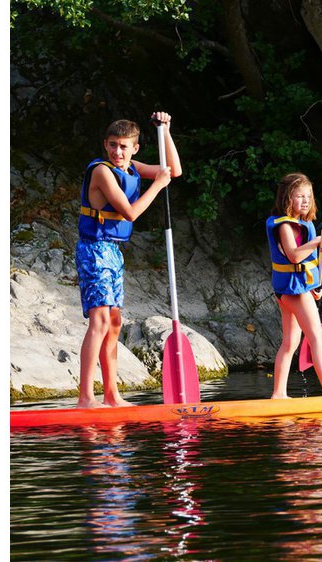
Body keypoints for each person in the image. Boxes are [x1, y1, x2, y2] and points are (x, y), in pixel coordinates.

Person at [76, 112, 182, 408]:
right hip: (94, 249)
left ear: (134, 148)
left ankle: (112, 396)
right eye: (113, 145)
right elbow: (131, 213)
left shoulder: (132, 167)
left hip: (113, 252)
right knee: (98, 321)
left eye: (123, 147)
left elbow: (173, 170)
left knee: (113, 323)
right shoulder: (102, 171)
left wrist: (166, 131)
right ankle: (86, 397)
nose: (117, 152)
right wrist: (157, 186)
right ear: (105, 145)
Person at [265, 172, 322, 399]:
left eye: (308, 196)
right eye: (299, 196)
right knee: (316, 338)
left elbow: (308, 258)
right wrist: (317, 241)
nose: (305, 201)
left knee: (290, 342)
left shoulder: (304, 224)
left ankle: (279, 394)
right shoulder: (285, 226)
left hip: (296, 289)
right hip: (294, 291)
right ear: (286, 199)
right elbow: (293, 256)